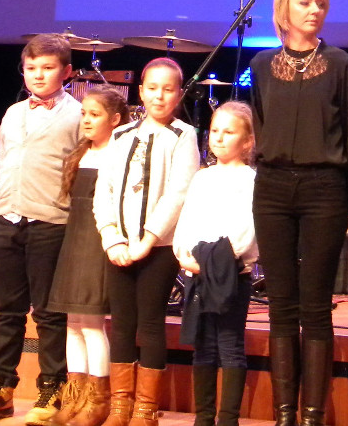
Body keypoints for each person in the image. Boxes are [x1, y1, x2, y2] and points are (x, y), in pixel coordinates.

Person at [249, 0, 348, 426]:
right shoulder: (261, 65)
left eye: (320, 3)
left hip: (323, 190)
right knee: (280, 304)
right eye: (305, 2)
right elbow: (260, 125)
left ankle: (312, 416)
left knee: (315, 306)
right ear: (283, 9)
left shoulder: (340, 63)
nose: (315, 10)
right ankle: (283, 415)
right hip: (272, 188)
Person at [0, 33, 81, 425]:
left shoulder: (77, 115)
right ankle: (0, 388)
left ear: (66, 71)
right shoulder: (13, 113)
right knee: (5, 310)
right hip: (7, 217)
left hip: (50, 220)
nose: (38, 75)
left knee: (48, 312)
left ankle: (52, 390)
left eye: (48, 68)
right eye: (31, 68)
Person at [93, 57, 200, 426]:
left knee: (150, 322)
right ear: (140, 92)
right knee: (121, 322)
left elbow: (178, 193)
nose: (159, 96)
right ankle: (120, 405)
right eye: (152, 88)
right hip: (119, 245)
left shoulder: (183, 135)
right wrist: (111, 238)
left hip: (159, 247)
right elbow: (104, 190)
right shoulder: (121, 135)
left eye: (168, 89)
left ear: (179, 94)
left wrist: (147, 240)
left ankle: (145, 408)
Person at [46, 86, 131, 426]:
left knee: (93, 324)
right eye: (84, 114)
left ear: (115, 119)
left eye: (95, 115)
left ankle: (98, 400)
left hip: (98, 242)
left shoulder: (118, 155)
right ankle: (75, 396)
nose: (86, 120)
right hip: (74, 240)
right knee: (73, 324)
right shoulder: (80, 154)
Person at [174, 101, 258, 426]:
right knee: (203, 346)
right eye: (215, 130)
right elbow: (186, 223)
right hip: (197, 273)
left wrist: (210, 262)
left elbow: (244, 235)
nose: (219, 138)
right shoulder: (203, 178)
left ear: (247, 141)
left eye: (229, 132)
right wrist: (185, 256)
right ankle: (204, 417)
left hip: (230, 275)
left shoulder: (250, 180)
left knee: (229, 343)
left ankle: (228, 419)